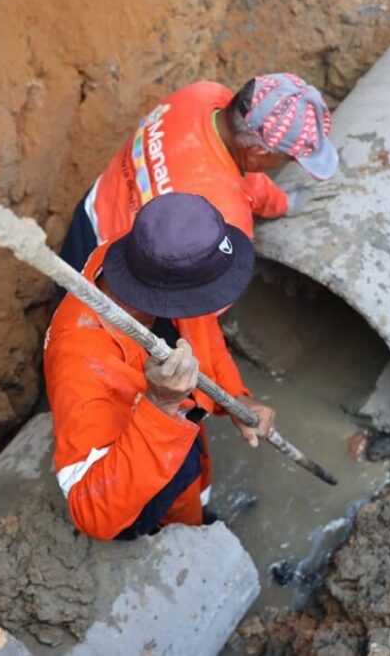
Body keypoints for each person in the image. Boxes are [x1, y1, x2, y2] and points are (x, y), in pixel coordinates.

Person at [44, 193, 276, 540]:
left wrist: (236, 398)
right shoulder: (80, 358)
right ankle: (175, 531)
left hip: (176, 432)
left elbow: (202, 332)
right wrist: (161, 407)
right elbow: (92, 513)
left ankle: (192, 517)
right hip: (136, 468)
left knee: (189, 485)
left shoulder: (142, 256)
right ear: (171, 293)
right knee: (164, 517)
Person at [57, 73, 338, 286]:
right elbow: (206, 302)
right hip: (116, 278)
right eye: (289, 158)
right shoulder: (225, 216)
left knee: (67, 291)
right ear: (257, 151)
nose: (288, 164)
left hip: (92, 213)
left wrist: (282, 203)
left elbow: (230, 172)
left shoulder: (202, 95)